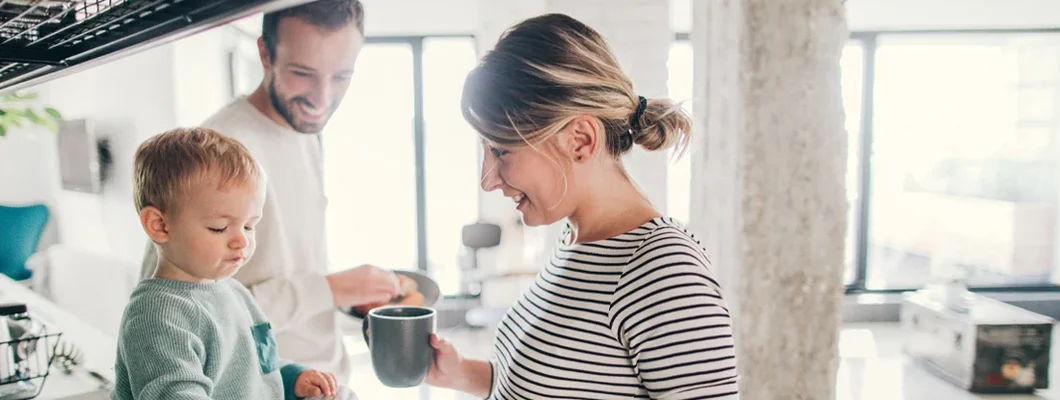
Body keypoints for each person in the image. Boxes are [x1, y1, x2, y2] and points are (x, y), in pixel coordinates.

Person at [423, 13, 739, 399]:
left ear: (580, 140)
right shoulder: (575, 242)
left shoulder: (663, 269)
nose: (488, 179)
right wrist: (459, 373)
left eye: (502, 150)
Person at [139, 0, 400, 383]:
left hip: (326, 380)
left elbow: (286, 265)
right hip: (269, 386)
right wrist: (328, 288)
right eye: (302, 73)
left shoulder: (304, 132)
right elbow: (178, 309)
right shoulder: (220, 150)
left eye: (341, 76)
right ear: (265, 53)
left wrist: (344, 299)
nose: (322, 98)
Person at [114, 127, 338, 399]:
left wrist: (293, 379)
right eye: (219, 228)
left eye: (249, 226)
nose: (241, 241)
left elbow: (257, 370)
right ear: (159, 225)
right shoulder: (156, 316)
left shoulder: (235, 293)